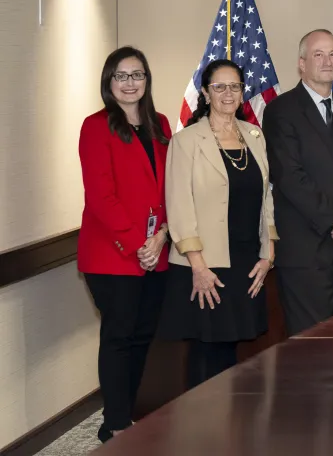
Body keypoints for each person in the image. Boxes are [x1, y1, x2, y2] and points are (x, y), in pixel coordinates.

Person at [158, 59, 276, 389]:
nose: (227, 93)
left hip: (245, 263)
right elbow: (179, 206)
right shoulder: (187, 141)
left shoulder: (255, 135)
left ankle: (227, 428)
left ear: (242, 93)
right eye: (219, 87)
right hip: (204, 265)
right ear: (207, 94)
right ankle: (200, 429)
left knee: (230, 348)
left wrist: (268, 255)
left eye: (234, 86)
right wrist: (198, 266)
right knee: (206, 349)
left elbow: (266, 197)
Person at [77, 46, 172, 442]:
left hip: (158, 250)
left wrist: (162, 235)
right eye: (121, 75)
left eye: (137, 75)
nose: (130, 83)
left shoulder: (161, 124)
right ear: (108, 82)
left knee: (142, 336)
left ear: (147, 80)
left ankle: (124, 414)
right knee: (118, 337)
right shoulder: (96, 126)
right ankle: (115, 424)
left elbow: (172, 188)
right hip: (112, 256)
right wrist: (138, 245)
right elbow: (100, 197)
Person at [262, 29, 333, 334]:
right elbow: (289, 177)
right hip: (306, 253)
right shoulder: (281, 110)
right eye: (318, 54)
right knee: (310, 350)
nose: (328, 61)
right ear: (301, 63)